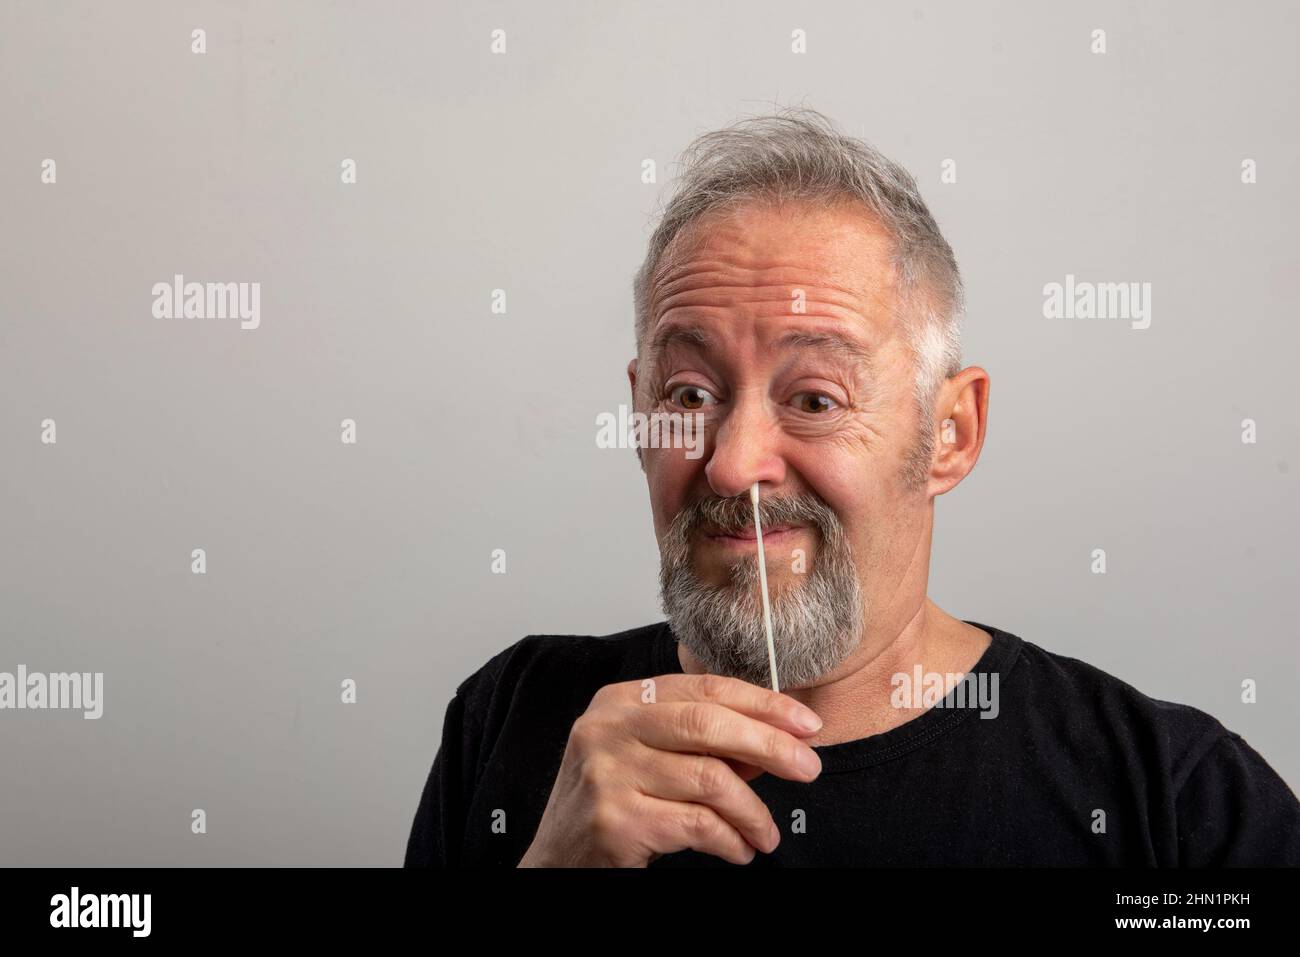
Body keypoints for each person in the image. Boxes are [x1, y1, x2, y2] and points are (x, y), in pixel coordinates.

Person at [404, 107, 1300, 867]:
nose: (731, 462)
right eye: (689, 395)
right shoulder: (513, 718)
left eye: (814, 397)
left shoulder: (1176, 801)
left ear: (951, 433)